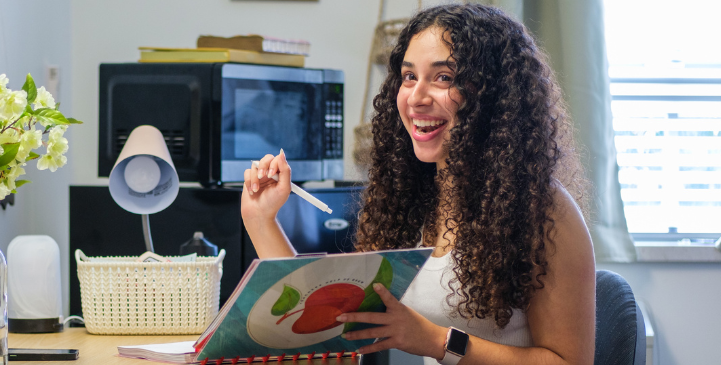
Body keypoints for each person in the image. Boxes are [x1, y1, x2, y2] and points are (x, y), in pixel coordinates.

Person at [240, 4, 595, 365]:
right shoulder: (409, 199)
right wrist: (260, 219)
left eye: (443, 78)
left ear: (493, 95)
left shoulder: (545, 211)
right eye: (409, 77)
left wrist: (436, 340)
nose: (417, 98)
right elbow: (330, 323)